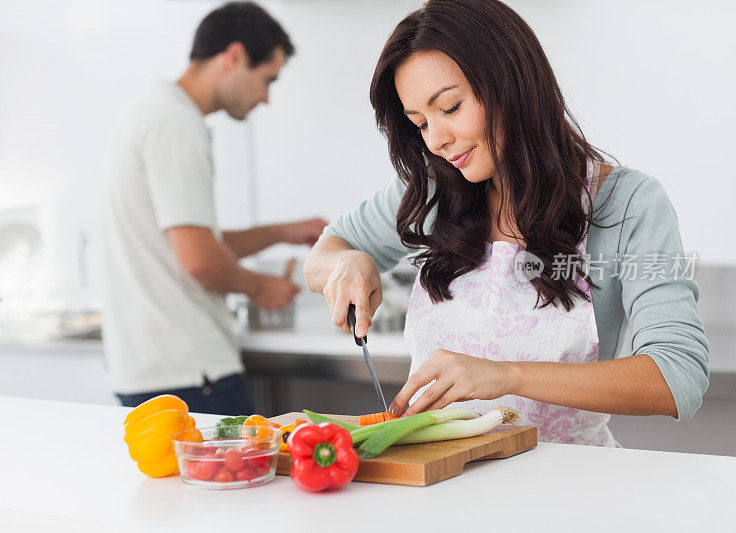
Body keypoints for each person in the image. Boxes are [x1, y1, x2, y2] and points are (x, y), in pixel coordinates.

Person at [303, 0, 709, 445]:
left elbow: (678, 378)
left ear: (511, 84)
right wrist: (348, 263)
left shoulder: (627, 202)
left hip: (571, 491)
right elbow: (325, 252)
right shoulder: (434, 193)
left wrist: (507, 376)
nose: (437, 140)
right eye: (419, 123)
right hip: (443, 487)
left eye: (451, 108)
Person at [104, 1, 326, 414]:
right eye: (267, 80)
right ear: (235, 56)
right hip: (189, 374)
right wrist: (264, 289)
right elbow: (200, 260)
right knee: (235, 479)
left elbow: (192, 242)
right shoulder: (176, 123)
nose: (265, 99)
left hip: (154, 370)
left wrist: (282, 232)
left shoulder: (147, 113)